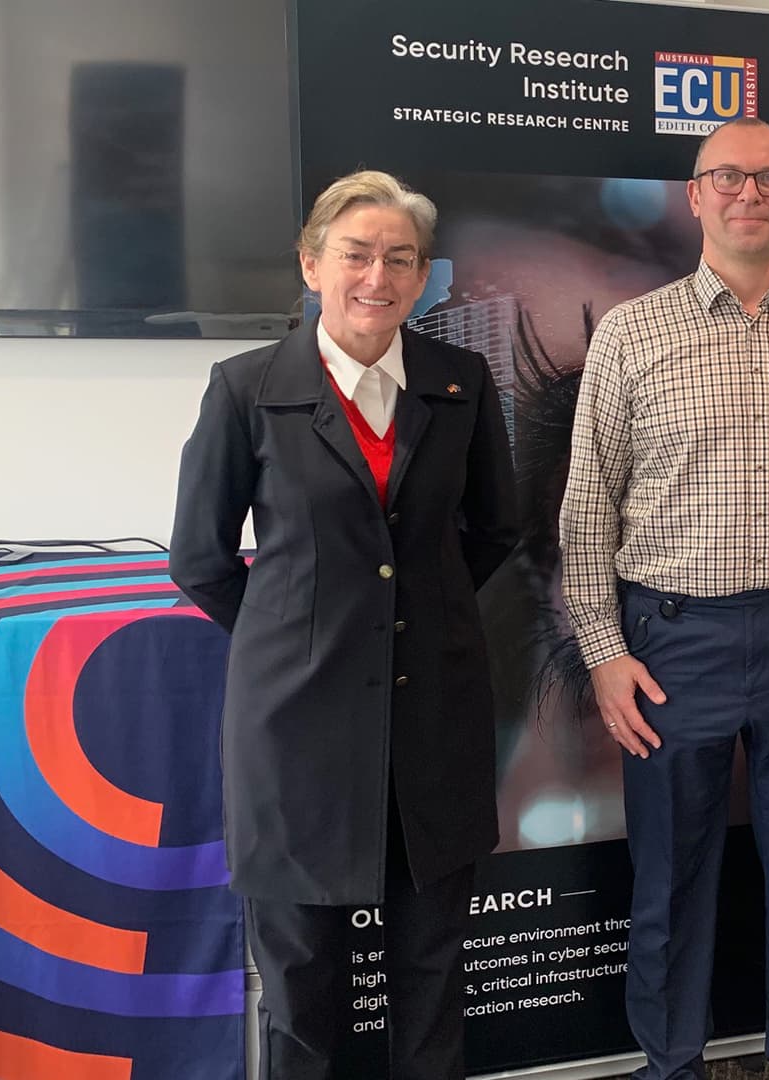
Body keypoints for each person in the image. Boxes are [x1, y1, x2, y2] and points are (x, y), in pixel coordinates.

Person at [557, 117, 769, 1080]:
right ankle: (671, 1065)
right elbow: (587, 510)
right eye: (727, 177)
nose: (749, 193)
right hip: (671, 644)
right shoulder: (631, 334)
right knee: (670, 880)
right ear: (695, 194)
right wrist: (602, 649)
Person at [170, 169, 519, 1080]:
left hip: (432, 722)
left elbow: (493, 529)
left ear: (424, 275)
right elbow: (199, 558)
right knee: (303, 989)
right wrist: (306, 634)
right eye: (356, 254)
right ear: (311, 263)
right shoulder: (246, 389)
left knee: (432, 976)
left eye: (400, 259)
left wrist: (405, 619)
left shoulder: (462, 382)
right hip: (295, 733)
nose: (378, 276)